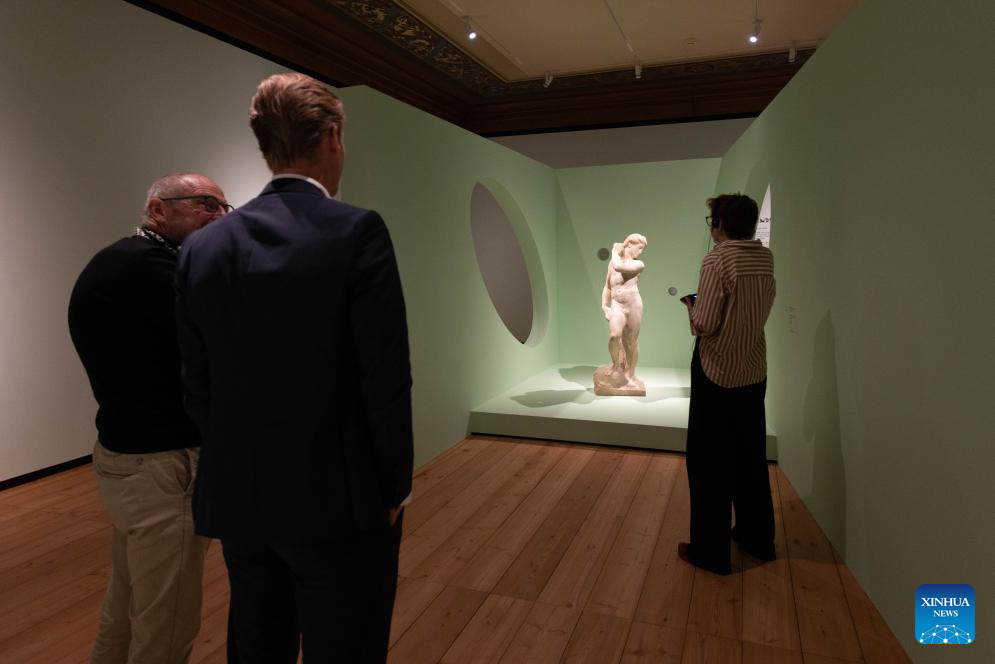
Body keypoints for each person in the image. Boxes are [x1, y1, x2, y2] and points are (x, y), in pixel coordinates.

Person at [174, 73, 413, 663]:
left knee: (257, 640)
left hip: (241, 495)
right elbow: (383, 378)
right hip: (338, 501)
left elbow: (197, 383)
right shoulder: (356, 231)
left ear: (266, 145)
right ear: (331, 138)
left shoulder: (201, 247)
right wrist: (394, 484)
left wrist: (232, 457)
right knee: (345, 645)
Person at [68, 173, 231, 663]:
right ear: (159, 209)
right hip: (162, 467)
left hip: (131, 461)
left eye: (225, 206)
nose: (221, 215)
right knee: (167, 623)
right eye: (206, 204)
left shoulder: (129, 260)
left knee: (129, 602)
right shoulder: (150, 269)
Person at [678, 193, 776, 575]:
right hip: (753, 368)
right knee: (750, 456)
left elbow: (705, 323)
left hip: (716, 369)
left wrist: (691, 307)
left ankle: (710, 552)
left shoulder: (717, 259)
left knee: (708, 463)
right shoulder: (764, 256)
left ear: (719, 223)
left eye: (711, 221)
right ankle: (757, 538)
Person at [595, 233, 648, 395]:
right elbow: (608, 286)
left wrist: (614, 251)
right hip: (617, 305)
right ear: (630, 244)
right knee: (614, 336)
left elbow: (619, 266)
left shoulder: (638, 264)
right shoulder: (613, 263)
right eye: (640, 248)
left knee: (630, 342)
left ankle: (630, 374)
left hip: (633, 306)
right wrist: (604, 305)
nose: (641, 252)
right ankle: (616, 364)